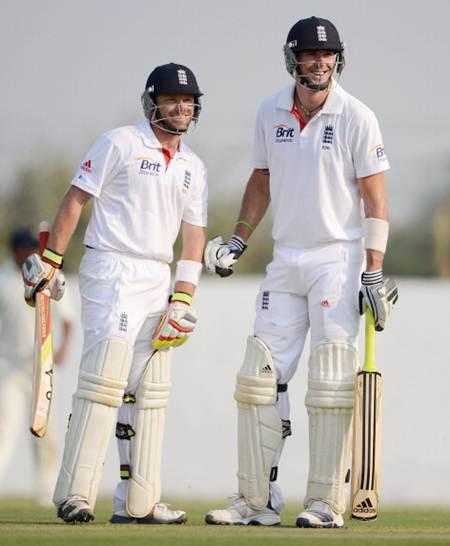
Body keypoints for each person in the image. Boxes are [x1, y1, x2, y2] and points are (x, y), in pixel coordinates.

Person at [204, 17, 398, 528]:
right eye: (310, 55)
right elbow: (261, 180)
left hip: (338, 258)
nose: (320, 62)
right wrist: (239, 239)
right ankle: (256, 500)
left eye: (328, 54)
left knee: (332, 383)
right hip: (286, 259)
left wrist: (373, 272)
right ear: (293, 60)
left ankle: (324, 503)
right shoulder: (271, 111)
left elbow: (376, 200)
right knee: (257, 378)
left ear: (338, 59)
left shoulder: (357, 116)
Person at [22, 63, 207, 524]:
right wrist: (51, 262)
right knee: (106, 378)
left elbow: (194, 237)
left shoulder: (192, 166)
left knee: (149, 389)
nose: (181, 107)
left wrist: (183, 297)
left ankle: (137, 502)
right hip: (113, 267)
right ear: (152, 103)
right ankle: (75, 493)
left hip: (157, 277)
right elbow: (75, 199)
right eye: (171, 100)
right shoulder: (120, 142)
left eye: (187, 101)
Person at [0, 227, 74, 505]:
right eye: (26, 248)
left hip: (42, 366)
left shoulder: (48, 275)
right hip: (10, 366)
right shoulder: (3, 279)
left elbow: (67, 318)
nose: (31, 253)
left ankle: (46, 492)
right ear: (14, 251)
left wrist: (63, 349)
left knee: (46, 432)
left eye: (34, 247)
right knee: (3, 427)